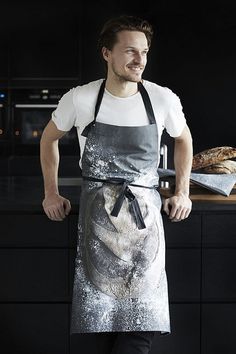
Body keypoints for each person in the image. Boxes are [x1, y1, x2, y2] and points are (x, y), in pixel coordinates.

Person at [40, 14, 193, 354]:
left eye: (144, 51)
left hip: (145, 228)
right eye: (129, 51)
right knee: (99, 327)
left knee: (140, 327)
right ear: (106, 53)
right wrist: (51, 192)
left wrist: (182, 192)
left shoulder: (162, 99)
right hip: (97, 225)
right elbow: (48, 139)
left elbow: (183, 139)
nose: (139, 60)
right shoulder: (80, 99)